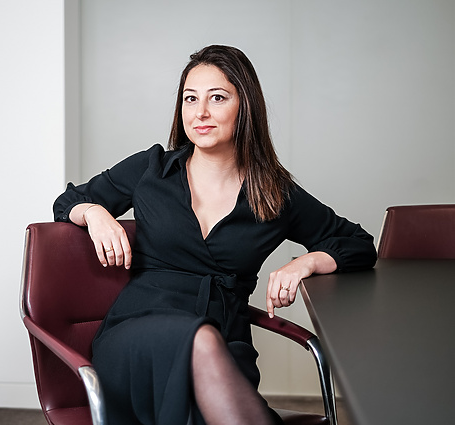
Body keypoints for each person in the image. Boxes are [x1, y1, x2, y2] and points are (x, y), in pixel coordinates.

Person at [53, 45, 377, 425]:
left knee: (208, 348)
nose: (200, 112)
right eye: (190, 99)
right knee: (199, 340)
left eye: (217, 98)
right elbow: (67, 201)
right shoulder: (151, 168)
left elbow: (359, 243)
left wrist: (304, 263)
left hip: (225, 341)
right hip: (138, 334)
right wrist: (94, 213)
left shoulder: (274, 194)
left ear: (245, 107)